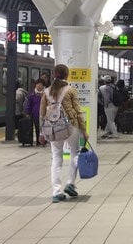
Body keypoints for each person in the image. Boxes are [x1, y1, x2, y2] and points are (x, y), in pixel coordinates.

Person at [39, 64, 89, 203]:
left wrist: (42, 133)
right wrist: (84, 130)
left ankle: (56, 192)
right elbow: (78, 111)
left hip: (53, 128)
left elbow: (42, 113)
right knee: (75, 153)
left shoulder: (47, 91)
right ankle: (70, 183)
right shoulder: (70, 90)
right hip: (71, 126)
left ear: (54, 74)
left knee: (56, 158)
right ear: (67, 75)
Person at [24, 79, 46, 146]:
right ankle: (38, 141)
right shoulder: (32, 94)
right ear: (35, 85)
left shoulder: (46, 94)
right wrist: (27, 112)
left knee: (44, 128)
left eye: (41, 84)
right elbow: (29, 104)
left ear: (43, 86)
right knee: (37, 128)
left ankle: (43, 140)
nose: (39, 86)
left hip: (45, 114)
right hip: (35, 114)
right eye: (37, 84)